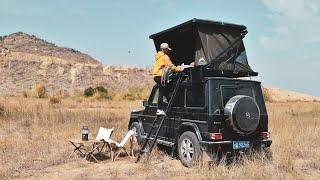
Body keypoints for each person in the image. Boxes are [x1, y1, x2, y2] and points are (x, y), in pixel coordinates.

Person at [152, 43, 184, 116]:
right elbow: (171, 66)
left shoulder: (158, 56)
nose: (168, 51)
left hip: (156, 76)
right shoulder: (165, 57)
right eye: (167, 49)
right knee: (161, 92)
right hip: (161, 76)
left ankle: (166, 102)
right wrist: (179, 69)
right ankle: (159, 109)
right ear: (164, 49)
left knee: (165, 90)